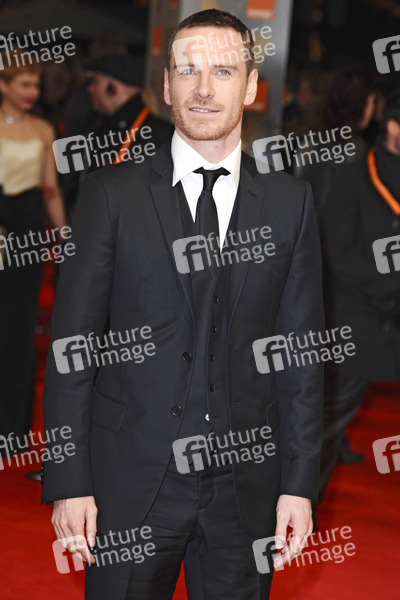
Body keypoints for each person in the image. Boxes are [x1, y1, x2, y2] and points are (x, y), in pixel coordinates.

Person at [42, 9, 324, 600]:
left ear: (250, 86)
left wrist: (299, 485)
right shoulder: (111, 195)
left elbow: (299, 357)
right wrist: (69, 481)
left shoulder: (290, 204)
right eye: (187, 70)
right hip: (130, 484)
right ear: (166, 84)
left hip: (244, 492)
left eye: (222, 71)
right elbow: (72, 349)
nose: (203, 89)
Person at [318, 91, 400, 502]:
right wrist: (388, 288)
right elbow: (337, 253)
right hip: (359, 310)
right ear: (392, 126)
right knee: (336, 407)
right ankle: (301, 500)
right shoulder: (353, 177)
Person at [0, 53, 67, 444]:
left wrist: (66, 235)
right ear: (3, 85)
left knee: (17, 326)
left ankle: (10, 428)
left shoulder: (44, 129)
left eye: (36, 85)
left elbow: (50, 190)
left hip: (26, 232)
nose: (32, 92)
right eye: (24, 84)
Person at [61, 52, 174, 216]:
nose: (90, 89)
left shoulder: (161, 134)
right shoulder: (93, 125)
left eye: (95, 82)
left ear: (112, 88)